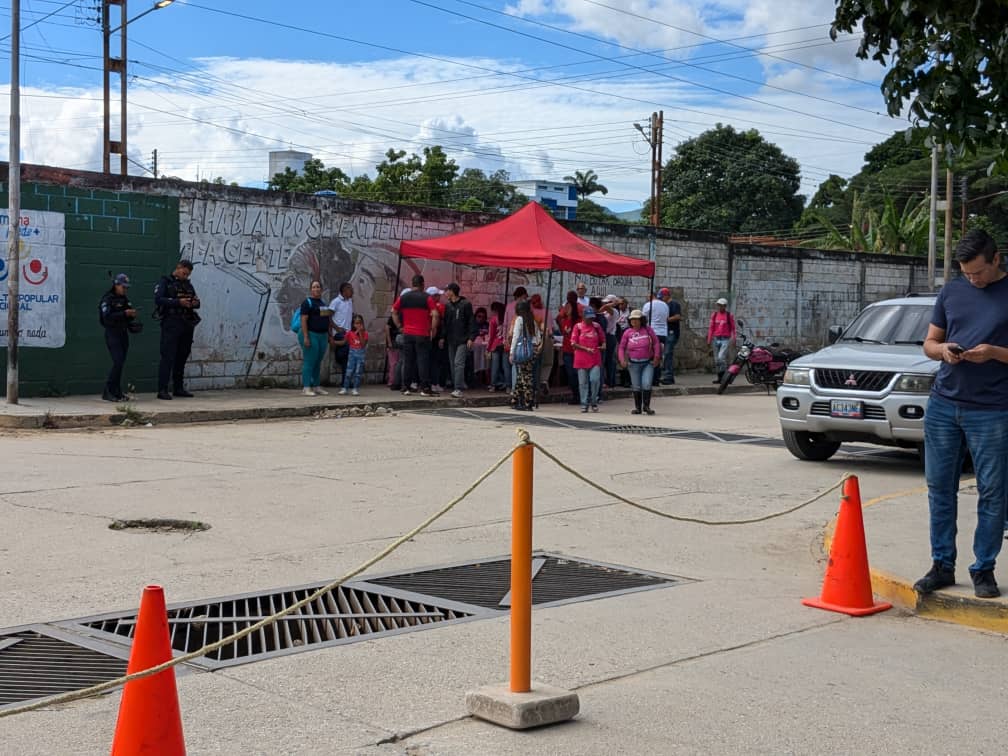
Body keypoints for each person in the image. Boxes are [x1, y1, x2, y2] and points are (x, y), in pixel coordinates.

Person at [914, 230, 1008, 599]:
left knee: (993, 492)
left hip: (992, 409)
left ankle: (983, 569)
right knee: (939, 488)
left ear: (996, 259)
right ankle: (942, 565)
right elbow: (929, 343)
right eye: (967, 274)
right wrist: (945, 352)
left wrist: (994, 353)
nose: (973, 280)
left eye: (979, 273)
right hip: (943, 404)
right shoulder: (951, 292)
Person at [154, 259, 201, 400]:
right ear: (178, 268)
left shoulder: (188, 285)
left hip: (186, 323)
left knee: (182, 355)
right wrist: (178, 302)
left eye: (188, 274)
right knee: (168, 356)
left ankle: (178, 388)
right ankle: (162, 389)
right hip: (171, 323)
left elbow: (197, 302)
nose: (185, 276)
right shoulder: (165, 282)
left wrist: (194, 303)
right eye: (184, 273)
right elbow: (158, 299)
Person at [392, 275, 440, 396]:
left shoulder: (404, 297)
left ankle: (406, 387)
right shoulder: (427, 298)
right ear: (422, 284)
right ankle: (424, 388)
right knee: (423, 360)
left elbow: (393, 311)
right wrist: (433, 329)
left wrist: (399, 326)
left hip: (407, 333)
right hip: (422, 333)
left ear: (412, 283)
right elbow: (435, 314)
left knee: (408, 361)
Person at [99, 273, 138, 402]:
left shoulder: (124, 299)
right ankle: (108, 391)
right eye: (123, 287)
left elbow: (129, 312)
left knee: (120, 364)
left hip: (123, 333)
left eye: (127, 288)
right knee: (118, 362)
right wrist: (123, 313)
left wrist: (131, 314)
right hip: (112, 334)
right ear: (116, 285)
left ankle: (117, 391)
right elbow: (107, 317)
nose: (125, 290)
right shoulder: (107, 299)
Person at [618, 309, 661, 415]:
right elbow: (621, 347)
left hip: (647, 362)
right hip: (633, 363)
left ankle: (646, 406)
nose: (634, 322)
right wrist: (622, 359)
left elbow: (656, 343)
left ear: (641, 320)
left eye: (637, 319)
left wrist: (657, 356)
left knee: (647, 384)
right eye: (632, 320)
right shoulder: (627, 333)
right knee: (636, 386)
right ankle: (638, 407)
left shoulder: (648, 330)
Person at [443, 282, 477, 398]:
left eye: (447, 290)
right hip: (451, 339)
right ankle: (456, 384)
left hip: (463, 339)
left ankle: (458, 388)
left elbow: (471, 321)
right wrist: (443, 337)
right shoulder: (448, 306)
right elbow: (445, 323)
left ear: (452, 291)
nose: (445, 293)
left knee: (459, 363)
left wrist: (471, 337)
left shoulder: (465, 304)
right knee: (453, 363)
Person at [298, 280, 330, 396]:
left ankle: (316, 386)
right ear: (311, 289)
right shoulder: (307, 303)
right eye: (314, 287)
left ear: (321, 289)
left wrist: (329, 335)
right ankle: (306, 387)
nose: (316, 289)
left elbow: (327, 320)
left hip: (323, 336)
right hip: (311, 335)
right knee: (309, 361)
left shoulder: (323, 303)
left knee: (318, 362)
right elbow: (303, 320)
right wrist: (306, 337)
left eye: (318, 287)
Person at [509, 299, 542, 411]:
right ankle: (515, 399)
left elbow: (515, 336)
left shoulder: (519, 320)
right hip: (531, 351)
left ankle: (527, 401)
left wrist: (512, 352)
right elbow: (538, 337)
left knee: (525, 377)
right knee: (523, 375)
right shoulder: (532, 320)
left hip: (522, 351)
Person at [571, 306, 605, 412]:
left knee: (595, 380)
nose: (590, 320)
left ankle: (594, 400)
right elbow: (573, 343)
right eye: (588, 318)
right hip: (581, 358)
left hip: (595, 358)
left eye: (592, 318)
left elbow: (603, 339)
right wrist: (586, 349)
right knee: (583, 382)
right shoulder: (578, 327)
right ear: (583, 317)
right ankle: (584, 403)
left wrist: (603, 345)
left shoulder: (596, 326)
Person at [556, 290, 582, 405]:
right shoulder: (565, 319)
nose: (565, 310)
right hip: (567, 349)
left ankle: (579, 395)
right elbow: (559, 318)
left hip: (576, 349)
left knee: (576, 373)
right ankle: (575, 394)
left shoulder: (579, 319)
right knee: (571, 373)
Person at [328, 282, 353, 387]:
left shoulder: (350, 301)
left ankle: (345, 381)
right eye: (350, 289)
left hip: (349, 333)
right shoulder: (336, 302)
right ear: (344, 291)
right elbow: (328, 317)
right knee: (344, 356)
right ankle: (345, 382)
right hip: (339, 334)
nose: (352, 292)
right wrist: (337, 329)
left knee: (347, 358)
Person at [642, 289, 669, 385]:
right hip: (663, 333)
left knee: (650, 356)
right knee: (658, 357)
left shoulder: (648, 305)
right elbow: (666, 318)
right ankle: (656, 380)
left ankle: (650, 379)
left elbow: (643, 319)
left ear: (650, 296)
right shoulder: (665, 305)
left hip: (652, 332)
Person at [707, 297, 736, 383]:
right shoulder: (714, 315)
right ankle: (720, 378)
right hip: (716, 339)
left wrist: (734, 338)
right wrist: (709, 339)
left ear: (725, 306)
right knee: (717, 360)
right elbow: (711, 328)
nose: (720, 307)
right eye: (719, 305)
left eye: (722, 306)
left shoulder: (728, 315)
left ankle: (725, 376)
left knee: (721, 358)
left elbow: (733, 328)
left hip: (725, 339)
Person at [339, 314, 368, 396]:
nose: (358, 325)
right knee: (349, 371)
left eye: (360, 323)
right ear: (353, 324)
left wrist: (360, 333)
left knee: (358, 372)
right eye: (356, 323)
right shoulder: (350, 333)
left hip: (360, 355)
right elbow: (343, 342)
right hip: (352, 355)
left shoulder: (365, 333)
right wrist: (333, 342)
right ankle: (345, 388)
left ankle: (355, 389)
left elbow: (363, 344)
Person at [428, 286, 448, 392]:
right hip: (436, 337)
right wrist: (442, 337)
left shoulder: (425, 306)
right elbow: (443, 323)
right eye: (437, 295)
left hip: (426, 336)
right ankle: (434, 383)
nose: (439, 297)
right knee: (436, 361)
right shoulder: (439, 307)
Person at [662, 290, 682, 384]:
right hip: (667, 332)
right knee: (666, 354)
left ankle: (668, 376)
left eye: (662, 296)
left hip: (672, 332)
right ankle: (668, 376)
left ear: (666, 295)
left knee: (667, 354)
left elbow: (678, 316)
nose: (661, 299)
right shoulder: (665, 305)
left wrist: (666, 320)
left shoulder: (674, 304)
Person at [487, 301, 507, 392]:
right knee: (505, 366)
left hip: (495, 344)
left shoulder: (493, 319)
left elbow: (491, 336)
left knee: (495, 366)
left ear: (494, 310)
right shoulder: (506, 319)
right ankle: (507, 384)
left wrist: (488, 348)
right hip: (504, 343)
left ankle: (493, 385)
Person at [385, 312, 401, 390]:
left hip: (398, 343)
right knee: (393, 363)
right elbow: (387, 328)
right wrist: (389, 342)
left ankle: (395, 380)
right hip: (393, 342)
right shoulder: (392, 318)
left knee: (397, 363)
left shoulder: (401, 316)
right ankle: (392, 381)